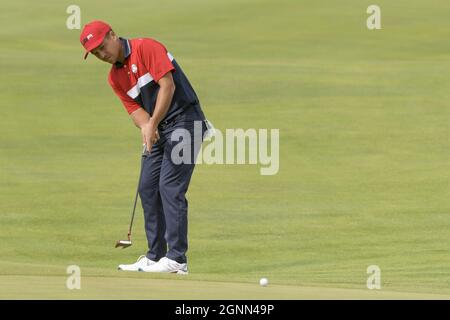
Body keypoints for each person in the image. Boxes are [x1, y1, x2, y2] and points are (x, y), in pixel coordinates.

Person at [80, 20, 209, 274]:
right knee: (148, 186)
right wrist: (146, 127)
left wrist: (152, 123)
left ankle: (177, 260)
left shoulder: (147, 47)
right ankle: (155, 255)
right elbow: (133, 110)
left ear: (113, 35)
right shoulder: (114, 77)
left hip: (186, 121)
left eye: (102, 47)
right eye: (95, 53)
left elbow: (168, 86)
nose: (101, 55)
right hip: (159, 128)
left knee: (169, 186)